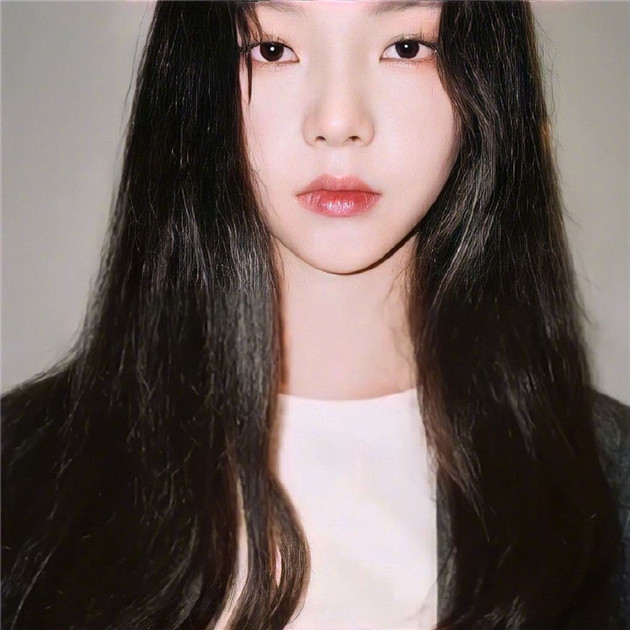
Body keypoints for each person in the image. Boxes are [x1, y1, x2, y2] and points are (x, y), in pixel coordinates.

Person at [2, 1, 629, 629]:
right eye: (272, 50)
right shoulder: (23, 474)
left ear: (489, 77)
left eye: (406, 47)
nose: (337, 121)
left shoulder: (607, 483)